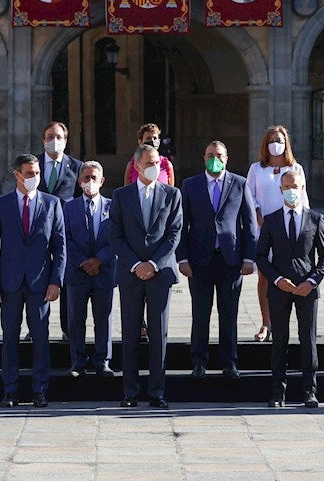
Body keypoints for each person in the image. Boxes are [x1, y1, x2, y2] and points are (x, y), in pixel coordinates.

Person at [0, 154, 66, 408]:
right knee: (10, 336)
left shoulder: (52, 204)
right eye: (29, 173)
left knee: (41, 337)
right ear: (17, 175)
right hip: (9, 282)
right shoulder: (2, 204)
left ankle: (39, 390)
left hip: (40, 282)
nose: (34, 178)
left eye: (37, 173)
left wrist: (56, 281)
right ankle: (10, 390)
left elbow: (60, 246)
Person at [177, 140, 258, 379]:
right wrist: (182, 258)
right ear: (204, 158)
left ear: (226, 158)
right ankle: (199, 361)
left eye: (219, 155)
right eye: (210, 154)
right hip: (199, 260)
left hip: (230, 260)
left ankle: (229, 362)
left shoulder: (239, 183)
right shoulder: (190, 185)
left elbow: (249, 223)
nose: (215, 158)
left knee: (229, 313)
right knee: (200, 313)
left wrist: (249, 258)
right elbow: (182, 224)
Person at [111, 143, 183, 409]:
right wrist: (135, 265)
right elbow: (115, 236)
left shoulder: (172, 194)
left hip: (159, 273)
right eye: (150, 163)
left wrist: (153, 263)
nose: (155, 167)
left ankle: (157, 392)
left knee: (158, 335)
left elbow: (174, 234)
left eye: (158, 163)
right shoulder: (121, 195)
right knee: (130, 334)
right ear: (137, 165)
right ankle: (130, 392)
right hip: (131, 276)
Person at [256, 164, 324, 409]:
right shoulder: (271, 220)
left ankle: (310, 390)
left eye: (295, 187)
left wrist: (311, 282)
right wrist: (277, 280)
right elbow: (260, 256)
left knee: (308, 340)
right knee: (280, 341)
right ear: (280, 189)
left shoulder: (316, 219)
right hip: (280, 289)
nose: (291, 191)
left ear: (302, 188)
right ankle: (278, 392)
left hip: (307, 289)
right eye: (287, 187)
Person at [62, 160, 116, 376]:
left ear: (101, 181)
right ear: (79, 181)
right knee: (76, 318)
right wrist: (82, 261)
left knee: (104, 317)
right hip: (77, 271)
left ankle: (103, 360)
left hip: (104, 270)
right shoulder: (68, 207)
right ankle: (78, 361)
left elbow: (118, 238)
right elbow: (63, 237)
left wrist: (99, 260)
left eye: (94, 178)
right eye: (86, 178)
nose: (89, 182)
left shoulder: (113, 206)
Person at [245, 124, 296, 342]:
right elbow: (249, 195)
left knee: (287, 276)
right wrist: (257, 213)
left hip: (286, 230)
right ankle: (266, 323)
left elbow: (302, 198)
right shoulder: (257, 169)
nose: (276, 145)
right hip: (263, 229)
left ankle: (282, 324)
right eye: (272, 141)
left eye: (280, 141)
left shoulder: (295, 168)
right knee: (264, 277)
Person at [40, 120, 82, 341]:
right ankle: (37, 327)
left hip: (66, 232)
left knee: (65, 281)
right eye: (49, 137)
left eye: (58, 137)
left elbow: (80, 199)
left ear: (65, 141)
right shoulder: (33, 164)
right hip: (37, 234)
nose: (53, 141)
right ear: (43, 140)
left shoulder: (77, 167)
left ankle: (67, 329)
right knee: (38, 282)